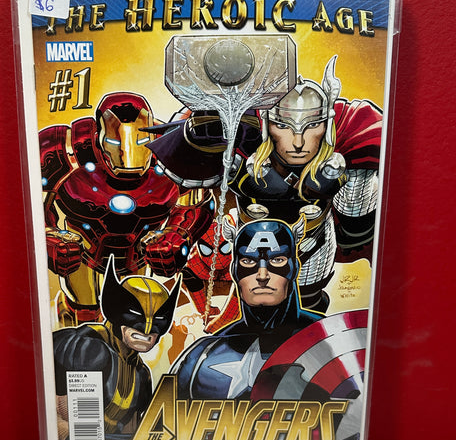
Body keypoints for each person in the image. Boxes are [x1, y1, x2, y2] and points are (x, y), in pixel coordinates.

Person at [148, 57, 382, 311]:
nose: (298, 142)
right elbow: (187, 193)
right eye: (283, 126)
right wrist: (177, 232)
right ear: (267, 122)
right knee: (257, 311)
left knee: (309, 303)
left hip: (314, 244)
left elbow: (357, 229)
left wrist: (339, 184)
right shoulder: (241, 132)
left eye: (312, 125)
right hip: (252, 249)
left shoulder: (345, 135)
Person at [40, 91, 213, 325]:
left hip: (139, 252)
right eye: (114, 143)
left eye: (140, 142)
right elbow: (29, 201)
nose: (127, 155)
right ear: (98, 135)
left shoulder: (174, 151)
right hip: (82, 249)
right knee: (84, 314)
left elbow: (197, 203)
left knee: (134, 317)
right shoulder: (64, 149)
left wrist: (177, 234)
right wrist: (48, 238)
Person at [53, 255, 181, 440]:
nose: (146, 331)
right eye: (136, 317)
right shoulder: (89, 347)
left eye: (157, 321)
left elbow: (131, 430)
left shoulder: (141, 374)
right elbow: (66, 425)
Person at [172, 219, 322, 402]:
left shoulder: (331, 339)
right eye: (249, 261)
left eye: (277, 260)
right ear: (235, 270)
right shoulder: (203, 354)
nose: (262, 275)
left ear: (294, 268)